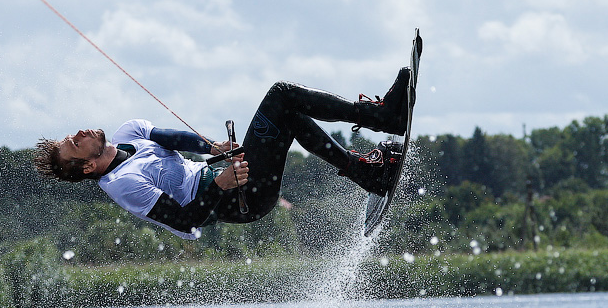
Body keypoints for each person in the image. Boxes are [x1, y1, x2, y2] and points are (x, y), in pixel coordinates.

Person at [33, 68, 409, 239]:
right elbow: (187, 222)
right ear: (88, 167)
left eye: (72, 135)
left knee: (289, 116)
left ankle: (365, 172)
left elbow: (171, 138)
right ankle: (381, 118)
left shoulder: (127, 133)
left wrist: (211, 146)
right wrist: (221, 183)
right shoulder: (122, 184)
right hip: (239, 199)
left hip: (230, 177)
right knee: (281, 95)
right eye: (74, 143)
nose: (79, 133)